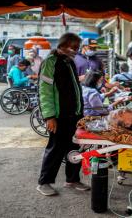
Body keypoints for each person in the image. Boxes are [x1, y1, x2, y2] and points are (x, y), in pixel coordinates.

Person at [37, 32, 89, 196]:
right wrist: (49, 116)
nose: (75, 50)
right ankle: (44, 182)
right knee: (55, 149)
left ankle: (72, 180)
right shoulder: (50, 62)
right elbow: (44, 91)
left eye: (77, 48)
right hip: (58, 116)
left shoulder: (69, 62)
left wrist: (81, 112)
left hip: (74, 114)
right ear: (63, 45)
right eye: (73, 47)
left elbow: (75, 88)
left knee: (75, 148)